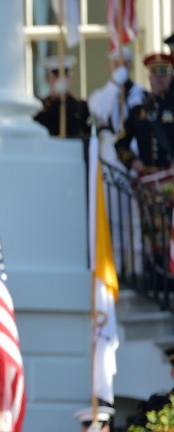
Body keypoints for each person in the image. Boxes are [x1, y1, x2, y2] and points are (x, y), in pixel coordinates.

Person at [87, 46, 146, 274]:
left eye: (125, 64)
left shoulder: (141, 94)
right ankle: (119, 271)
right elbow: (100, 112)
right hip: (113, 160)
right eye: (116, 64)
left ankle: (140, 271)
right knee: (116, 223)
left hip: (136, 160)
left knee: (140, 222)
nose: (121, 67)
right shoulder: (101, 95)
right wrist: (114, 84)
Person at [115, 53, 174, 188]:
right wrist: (132, 160)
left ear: (170, 76)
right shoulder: (138, 110)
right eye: (155, 73)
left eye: (164, 73)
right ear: (149, 77)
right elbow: (121, 143)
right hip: (148, 182)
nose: (160, 78)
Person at [34, 55, 90, 138]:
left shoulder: (80, 105)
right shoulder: (40, 106)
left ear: (70, 78)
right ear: (48, 79)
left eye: (65, 75)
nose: (62, 79)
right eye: (57, 76)